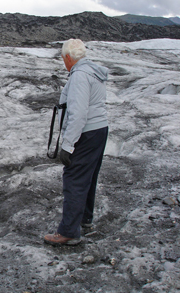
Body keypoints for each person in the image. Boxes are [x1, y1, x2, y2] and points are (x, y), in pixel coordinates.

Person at [44, 39, 109, 246]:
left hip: (86, 133)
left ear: (68, 57)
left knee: (74, 179)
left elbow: (78, 114)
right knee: (88, 176)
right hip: (99, 130)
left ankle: (69, 232)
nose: (64, 62)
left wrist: (68, 145)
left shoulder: (80, 75)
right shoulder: (92, 71)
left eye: (63, 58)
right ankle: (85, 220)